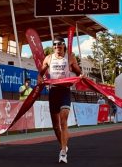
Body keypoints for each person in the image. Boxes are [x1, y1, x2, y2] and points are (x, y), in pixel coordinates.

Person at [37, 36, 82, 164]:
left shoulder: (70, 57)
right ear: (53, 47)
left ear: (64, 46)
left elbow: (79, 72)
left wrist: (81, 75)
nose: (57, 47)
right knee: (56, 126)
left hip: (65, 91)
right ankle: (63, 144)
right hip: (53, 92)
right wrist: (39, 77)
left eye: (60, 45)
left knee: (63, 121)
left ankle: (63, 152)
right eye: (55, 45)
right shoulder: (49, 58)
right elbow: (41, 73)